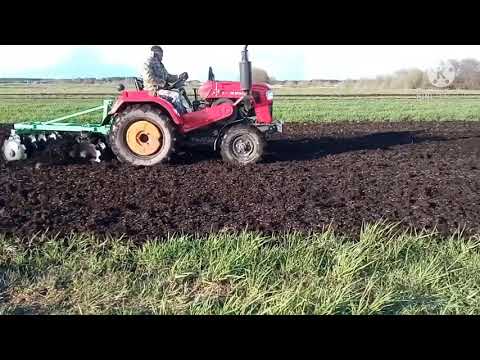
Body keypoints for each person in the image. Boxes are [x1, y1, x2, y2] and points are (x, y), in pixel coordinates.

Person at [143, 45, 191, 114]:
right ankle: (181, 117)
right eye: (161, 55)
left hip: (161, 89)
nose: (162, 57)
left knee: (180, 90)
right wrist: (163, 83)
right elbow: (149, 78)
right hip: (153, 90)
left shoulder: (160, 65)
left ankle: (186, 111)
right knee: (175, 96)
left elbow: (167, 76)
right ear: (155, 53)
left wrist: (178, 77)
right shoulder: (147, 63)